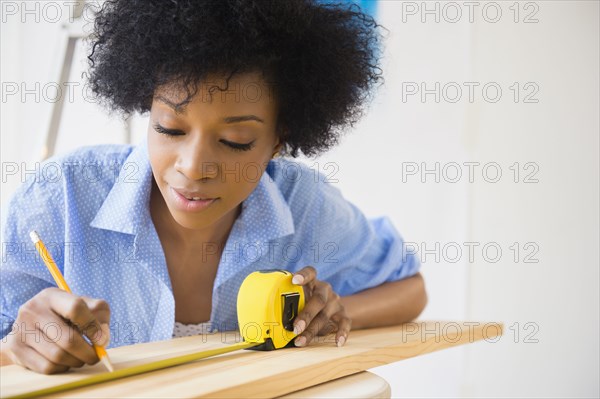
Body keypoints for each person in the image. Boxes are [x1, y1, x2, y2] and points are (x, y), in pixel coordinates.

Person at [0, 0, 427, 374]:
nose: (193, 167)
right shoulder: (62, 196)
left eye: (234, 142)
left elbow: (411, 291)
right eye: (169, 128)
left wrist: (330, 316)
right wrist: (16, 346)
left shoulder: (303, 204)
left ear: (279, 140)